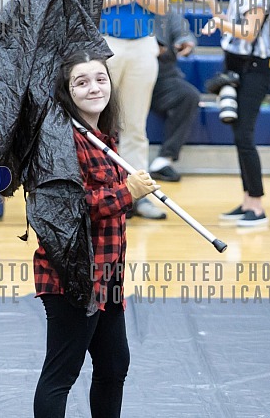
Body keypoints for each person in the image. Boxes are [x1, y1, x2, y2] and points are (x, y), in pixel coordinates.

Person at [32, 52, 159, 418]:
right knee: (61, 374)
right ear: (66, 91)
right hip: (73, 274)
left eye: (100, 79)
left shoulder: (106, 138)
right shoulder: (58, 140)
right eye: (81, 82)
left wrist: (127, 191)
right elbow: (64, 209)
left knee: (114, 365)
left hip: (109, 275)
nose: (94, 88)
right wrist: (127, 193)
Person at [185, 0, 270, 227]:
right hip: (240, 64)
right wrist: (214, 8)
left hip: (254, 67)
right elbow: (238, 25)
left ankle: (258, 207)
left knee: (244, 136)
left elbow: (249, 32)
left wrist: (217, 19)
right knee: (240, 135)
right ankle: (247, 201)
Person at [100, 0, 176, 219]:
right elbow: (81, 1)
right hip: (104, 43)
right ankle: (100, 194)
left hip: (143, 44)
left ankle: (138, 195)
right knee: (98, 123)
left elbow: (164, 5)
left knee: (135, 125)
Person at [148, 8, 200, 182]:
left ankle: (164, 160)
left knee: (188, 95)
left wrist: (185, 42)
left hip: (162, 77)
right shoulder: (120, 8)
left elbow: (184, 34)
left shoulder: (166, 11)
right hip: (125, 75)